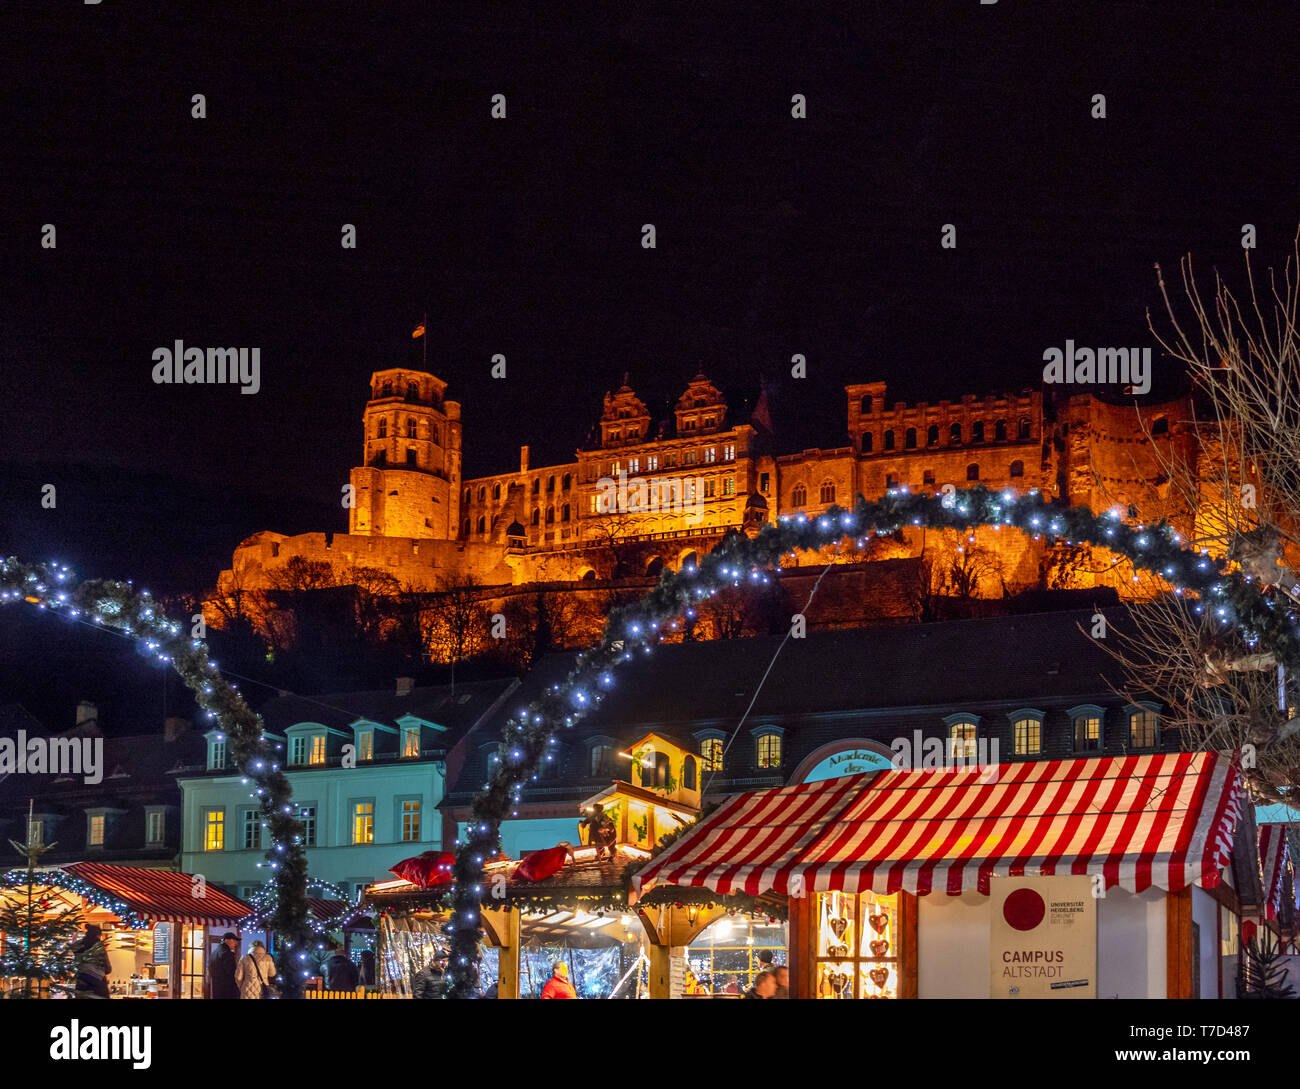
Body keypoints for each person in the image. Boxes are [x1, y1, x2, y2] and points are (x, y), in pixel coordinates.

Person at [72, 924, 110, 998]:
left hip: (82, 982)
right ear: (98, 935)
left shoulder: (78, 946)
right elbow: (108, 968)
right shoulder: (98, 947)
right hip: (98, 984)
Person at [209, 932, 240, 999]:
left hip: (217, 989)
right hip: (227, 990)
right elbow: (232, 973)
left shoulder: (214, 953)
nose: (235, 944)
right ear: (228, 940)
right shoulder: (227, 953)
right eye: (234, 940)